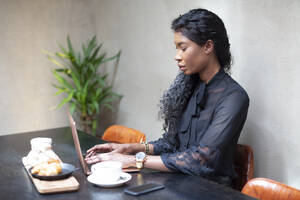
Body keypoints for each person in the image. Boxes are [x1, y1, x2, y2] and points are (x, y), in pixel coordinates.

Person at [85, 8, 249, 186]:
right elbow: (171, 143)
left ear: (208, 46)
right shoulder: (190, 86)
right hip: (179, 182)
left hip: (211, 192)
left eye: (183, 48)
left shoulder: (234, 97)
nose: (176, 56)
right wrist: (129, 148)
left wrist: (135, 161)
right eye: (177, 48)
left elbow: (200, 160)